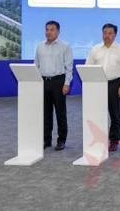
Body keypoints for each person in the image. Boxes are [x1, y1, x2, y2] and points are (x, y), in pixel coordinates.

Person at [86, 23, 120, 152]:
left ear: (115, 35)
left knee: (114, 114)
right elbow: (88, 66)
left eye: (110, 33)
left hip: (114, 83)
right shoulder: (95, 49)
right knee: (97, 113)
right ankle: (98, 139)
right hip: (97, 84)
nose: (107, 35)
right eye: (105, 33)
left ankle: (114, 140)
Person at [34, 20, 73, 151]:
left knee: (60, 113)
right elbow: (36, 66)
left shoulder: (65, 46)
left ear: (58, 31)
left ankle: (61, 140)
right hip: (44, 81)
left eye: (51, 30)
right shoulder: (39, 46)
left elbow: (69, 67)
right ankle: (46, 140)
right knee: (46, 113)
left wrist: (66, 83)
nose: (48, 32)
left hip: (59, 82)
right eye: (47, 30)